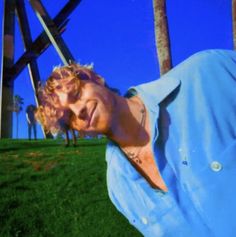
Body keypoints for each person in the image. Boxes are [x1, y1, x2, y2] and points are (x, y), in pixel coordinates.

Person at [36, 49, 236, 237]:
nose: (78, 111)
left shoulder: (210, 72)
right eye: (69, 117)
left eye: (77, 95)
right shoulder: (118, 189)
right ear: (76, 130)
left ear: (96, 79)